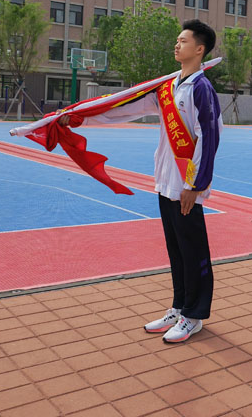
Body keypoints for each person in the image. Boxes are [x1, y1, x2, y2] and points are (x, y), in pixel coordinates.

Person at [60, 20, 222, 343]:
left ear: (199, 49)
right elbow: (125, 107)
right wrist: (79, 116)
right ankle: (179, 305)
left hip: (186, 187)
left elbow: (210, 137)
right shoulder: (169, 87)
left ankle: (194, 315)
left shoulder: (202, 89)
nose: (177, 45)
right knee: (176, 249)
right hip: (165, 181)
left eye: (183, 41)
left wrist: (195, 186)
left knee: (192, 250)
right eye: (177, 40)